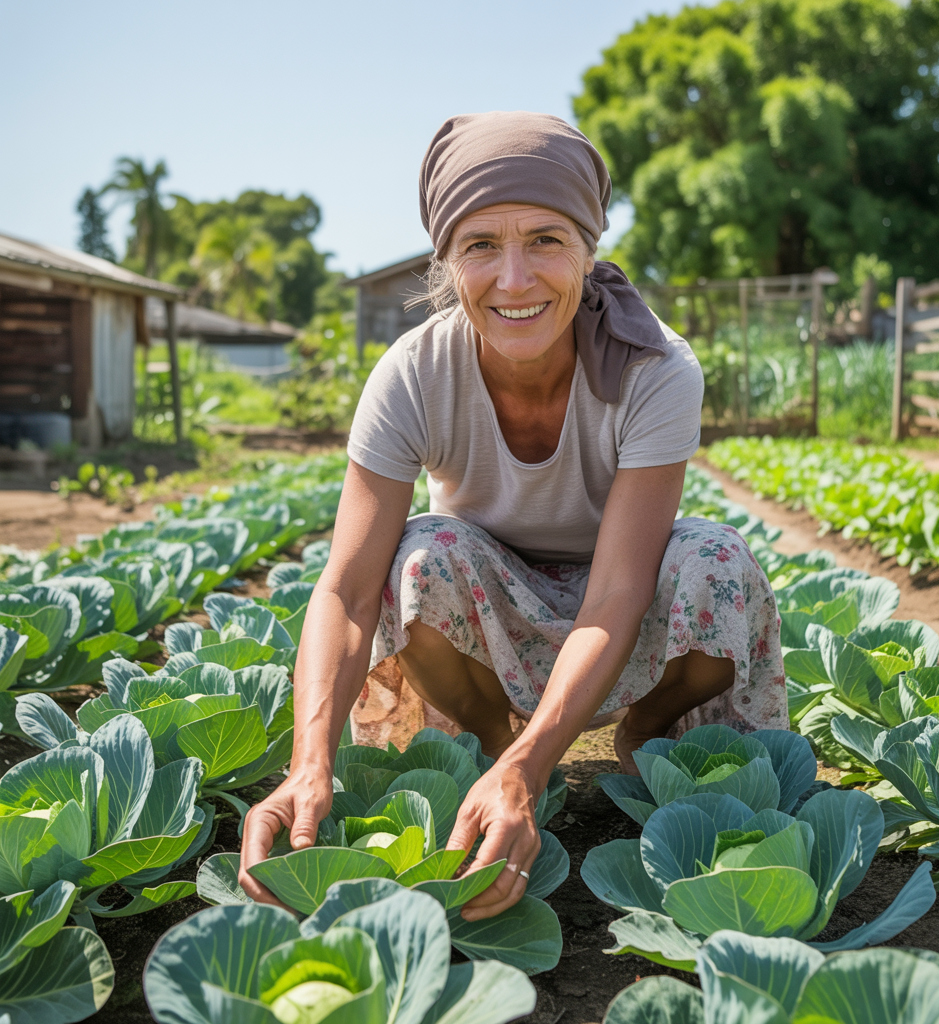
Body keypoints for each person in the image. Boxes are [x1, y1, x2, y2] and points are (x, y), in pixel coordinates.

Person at [239, 110, 786, 922]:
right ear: (446, 262)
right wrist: (307, 762)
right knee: (419, 556)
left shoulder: (656, 368)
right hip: (486, 612)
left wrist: (533, 770)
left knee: (718, 561)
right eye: (481, 246)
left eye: (546, 240)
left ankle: (644, 726)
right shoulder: (414, 375)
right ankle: (492, 742)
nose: (516, 279)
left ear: (589, 249)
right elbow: (347, 592)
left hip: (615, 607)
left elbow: (617, 591)